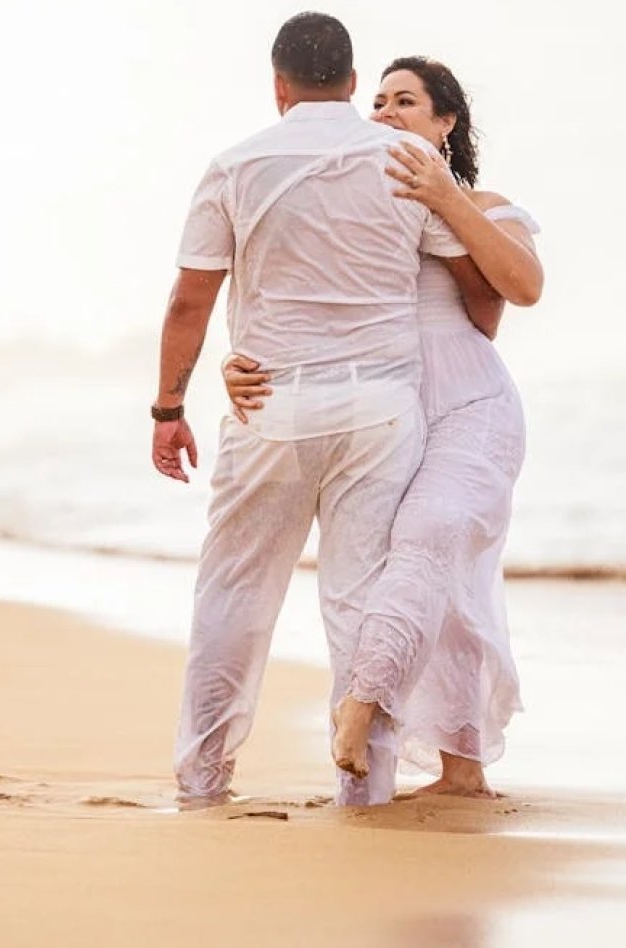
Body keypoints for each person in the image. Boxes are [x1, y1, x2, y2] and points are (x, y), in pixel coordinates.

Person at [150, 13, 470, 808]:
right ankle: (366, 790)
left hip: (271, 407)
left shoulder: (236, 165)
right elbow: (473, 288)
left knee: (235, 594)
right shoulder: (410, 160)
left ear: (279, 84)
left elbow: (191, 298)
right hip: (379, 411)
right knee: (358, 599)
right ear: (356, 83)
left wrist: (168, 407)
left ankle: (202, 778)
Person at [223, 55, 543, 801]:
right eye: (379, 102)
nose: (387, 113)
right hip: (385, 409)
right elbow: (291, 297)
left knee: (433, 533)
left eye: (406, 102)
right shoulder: (366, 207)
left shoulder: (481, 203)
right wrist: (237, 365)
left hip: (471, 407)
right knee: (439, 582)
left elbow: (514, 294)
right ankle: (462, 772)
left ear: (445, 121)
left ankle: (363, 703)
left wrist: (444, 194)